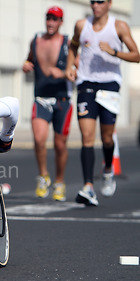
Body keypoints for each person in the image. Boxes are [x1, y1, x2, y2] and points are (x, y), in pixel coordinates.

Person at [65, 0, 140, 206]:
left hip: (109, 85)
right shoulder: (82, 24)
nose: (95, 5)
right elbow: (73, 45)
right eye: (92, 2)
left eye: (100, 1)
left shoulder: (119, 26)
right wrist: (71, 66)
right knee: (87, 138)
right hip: (86, 84)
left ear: (109, 4)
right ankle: (88, 186)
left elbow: (136, 55)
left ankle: (108, 169)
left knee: (107, 138)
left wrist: (114, 52)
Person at [23, 6, 73, 201]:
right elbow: (29, 60)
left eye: (55, 19)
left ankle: (59, 181)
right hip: (41, 99)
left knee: (60, 145)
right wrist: (26, 65)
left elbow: (76, 71)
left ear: (61, 22)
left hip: (62, 100)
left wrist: (62, 73)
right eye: (48, 18)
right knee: (39, 139)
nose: (51, 22)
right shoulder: (36, 40)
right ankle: (43, 175)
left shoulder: (68, 44)